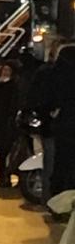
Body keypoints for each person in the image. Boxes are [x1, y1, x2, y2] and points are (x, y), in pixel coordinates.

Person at [48, 43, 75, 197]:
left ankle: (58, 199)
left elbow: (50, 100)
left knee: (61, 164)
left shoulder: (57, 74)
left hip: (64, 126)